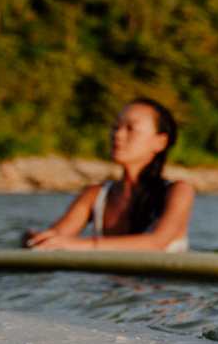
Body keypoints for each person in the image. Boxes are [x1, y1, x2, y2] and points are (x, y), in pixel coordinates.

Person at [26, 98, 195, 252]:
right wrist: (36, 239)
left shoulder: (178, 191)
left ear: (160, 142)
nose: (118, 135)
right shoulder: (94, 195)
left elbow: (157, 243)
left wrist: (77, 245)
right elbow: (56, 238)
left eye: (131, 129)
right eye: (115, 127)